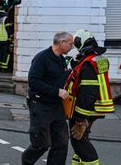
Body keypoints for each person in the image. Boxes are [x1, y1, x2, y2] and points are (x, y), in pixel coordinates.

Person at [21, 31, 73, 165]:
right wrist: (56, 91)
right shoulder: (41, 58)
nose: (72, 46)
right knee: (41, 143)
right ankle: (27, 161)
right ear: (61, 43)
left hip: (57, 106)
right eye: (70, 43)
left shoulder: (61, 59)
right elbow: (33, 82)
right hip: (41, 105)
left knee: (61, 143)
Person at [66, 29, 114, 165]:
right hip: (94, 107)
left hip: (86, 109)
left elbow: (88, 92)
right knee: (80, 139)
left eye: (76, 43)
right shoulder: (93, 59)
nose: (75, 47)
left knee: (79, 140)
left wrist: (80, 119)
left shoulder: (88, 64)